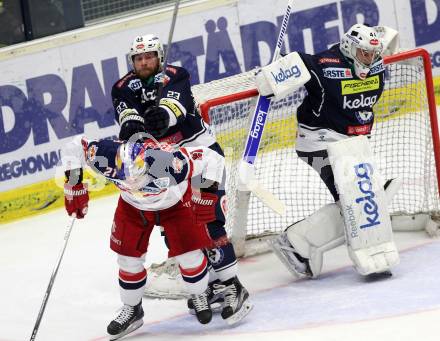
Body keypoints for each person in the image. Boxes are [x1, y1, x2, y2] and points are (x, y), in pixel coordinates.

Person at [110, 34, 252, 325]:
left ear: (159, 56)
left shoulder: (176, 75)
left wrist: (162, 114)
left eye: (149, 56)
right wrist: (134, 124)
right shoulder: (122, 87)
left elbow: (176, 107)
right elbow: (126, 117)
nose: (144, 62)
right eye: (138, 58)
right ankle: (209, 284)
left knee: (209, 220)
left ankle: (233, 286)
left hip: (202, 158)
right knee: (177, 227)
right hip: (165, 164)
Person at [255, 24, 402, 279]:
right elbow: (286, 71)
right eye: (363, 53)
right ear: (348, 47)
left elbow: (387, 36)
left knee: (363, 199)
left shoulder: (375, 61)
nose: (369, 59)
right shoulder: (324, 65)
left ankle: (297, 243)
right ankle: (295, 242)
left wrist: (378, 41)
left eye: (372, 54)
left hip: (352, 144)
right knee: (356, 199)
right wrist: (272, 75)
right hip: (319, 142)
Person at [62, 135, 230, 339]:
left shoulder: (171, 162)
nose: (131, 182)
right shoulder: (102, 154)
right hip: (132, 207)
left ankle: (199, 293)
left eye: (137, 177)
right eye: (124, 176)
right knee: (127, 260)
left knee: (189, 256)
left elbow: (213, 159)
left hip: (174, 204)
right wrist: (74, 185)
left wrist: (206, 194)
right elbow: (72, 147)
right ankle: (132, 309)